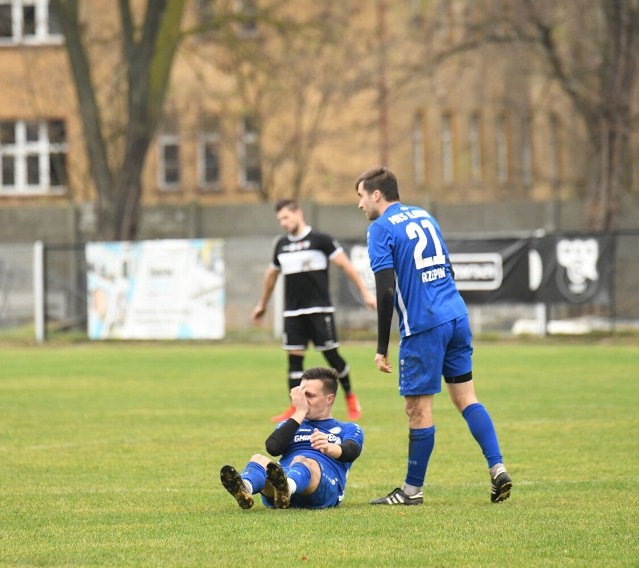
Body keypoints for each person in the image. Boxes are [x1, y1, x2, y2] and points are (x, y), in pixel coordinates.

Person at [353, 166, 512, 505]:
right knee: (466, 398)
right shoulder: (424, 216)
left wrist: (382, 346)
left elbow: (384, 290)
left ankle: (412, 491)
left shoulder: (380, 228)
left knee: (418, 409)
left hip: (424, 326)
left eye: (361, 196)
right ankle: (497, 467)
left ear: (376, 195)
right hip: (456, 315)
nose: (360, 205)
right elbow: (447, 268)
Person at [252, 199, 377, 422]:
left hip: (320, 311)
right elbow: (270, 276)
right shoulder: (281, 245)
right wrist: (262, 304)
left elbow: (346, 266)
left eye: (286, 217)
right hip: (293, 313)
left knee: (332, 357)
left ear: (298, 213)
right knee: (294, 362)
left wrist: (366, 293)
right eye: (279, 219)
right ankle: (294, 408)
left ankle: (350, 397)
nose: (283, 222)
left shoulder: (321, 241)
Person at [219, 367, 364, 510]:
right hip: (281, 486)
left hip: (322, 489)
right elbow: (273, 448)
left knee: (303, 461)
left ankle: (288, 487)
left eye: (310, 396)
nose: (303, 401)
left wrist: (330, 448)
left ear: (329, 399)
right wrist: (299, 413)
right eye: (301, 394)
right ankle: (245, 488)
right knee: (259, 459)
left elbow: (352, 450)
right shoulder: (291, 424)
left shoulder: (348, 428)